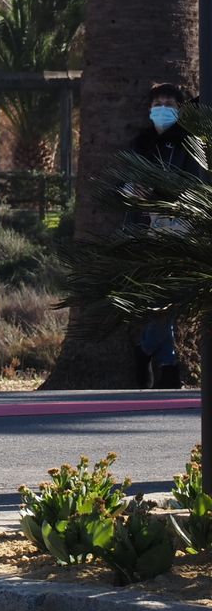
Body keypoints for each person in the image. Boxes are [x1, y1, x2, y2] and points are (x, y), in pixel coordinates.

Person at [127, 82, 201, 389]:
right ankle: (168, 367)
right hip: (144, 227)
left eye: (169, 102)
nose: (162, 107)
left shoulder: (188, 143)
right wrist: (133, 190)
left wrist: (158, 192)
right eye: (158, 102)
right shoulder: (140, 144)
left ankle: (145, 351)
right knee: (157, 298)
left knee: (168, 298)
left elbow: (191, 184)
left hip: (177, 227)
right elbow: (124, 181)